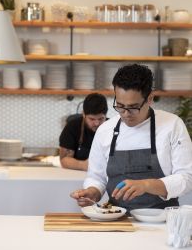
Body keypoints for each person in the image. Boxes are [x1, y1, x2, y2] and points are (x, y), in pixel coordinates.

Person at [71, 64, 192, 210]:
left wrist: (147, 185)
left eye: (133, 107)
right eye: (120, 106)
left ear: (149, 99)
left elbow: (187, 177)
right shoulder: (105, 130)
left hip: (163, 219)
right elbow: (97, 177)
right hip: (117, 218)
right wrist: (92, 192)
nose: (126, 114)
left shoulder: (172, 125)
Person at [59, 93, 108, 171]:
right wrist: (83, 165)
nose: (96, 123)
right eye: (92, 119)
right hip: (77, 175)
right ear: (83, 114)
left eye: (101, 119)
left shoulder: (113, 128)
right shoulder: (72, 127)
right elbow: (64, 160)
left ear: (105, 115)